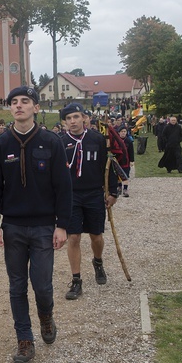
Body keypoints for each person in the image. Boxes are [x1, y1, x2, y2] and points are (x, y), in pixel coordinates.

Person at [0, 86, 72, 363]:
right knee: (17, 286)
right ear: (9, 109)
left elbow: (63, 187)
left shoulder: (52, 141)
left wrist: (62, 225)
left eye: (25, 102)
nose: (19, 106)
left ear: (35, 107)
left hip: (45, 226)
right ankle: (24, 339)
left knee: (43, 286)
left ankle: (46, 316)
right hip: (13, 227)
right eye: (14, 102)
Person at [59, 102, 118, 301]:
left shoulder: (97, 139)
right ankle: (76, 280)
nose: (72, 121)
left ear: (84, 118)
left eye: (76, 117)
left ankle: (98, 262)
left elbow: (106, 166)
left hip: (93, 194)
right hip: (71, 196)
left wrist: (113, 192)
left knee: (96, 236)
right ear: (65, 122)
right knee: (73, 237)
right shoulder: (60, 142)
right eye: (68, 118)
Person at [118, 126, 134, 197]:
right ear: (119, 133)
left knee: (126, 175)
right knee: (118, 174)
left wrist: (132, 160)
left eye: (124, 131)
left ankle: (125, 189)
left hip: (126, 160)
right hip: (119, 160)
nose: (123, 133)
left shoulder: (129, 141)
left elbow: (131, 151)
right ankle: (119, 187)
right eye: (122, 131)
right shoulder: (117, 141)